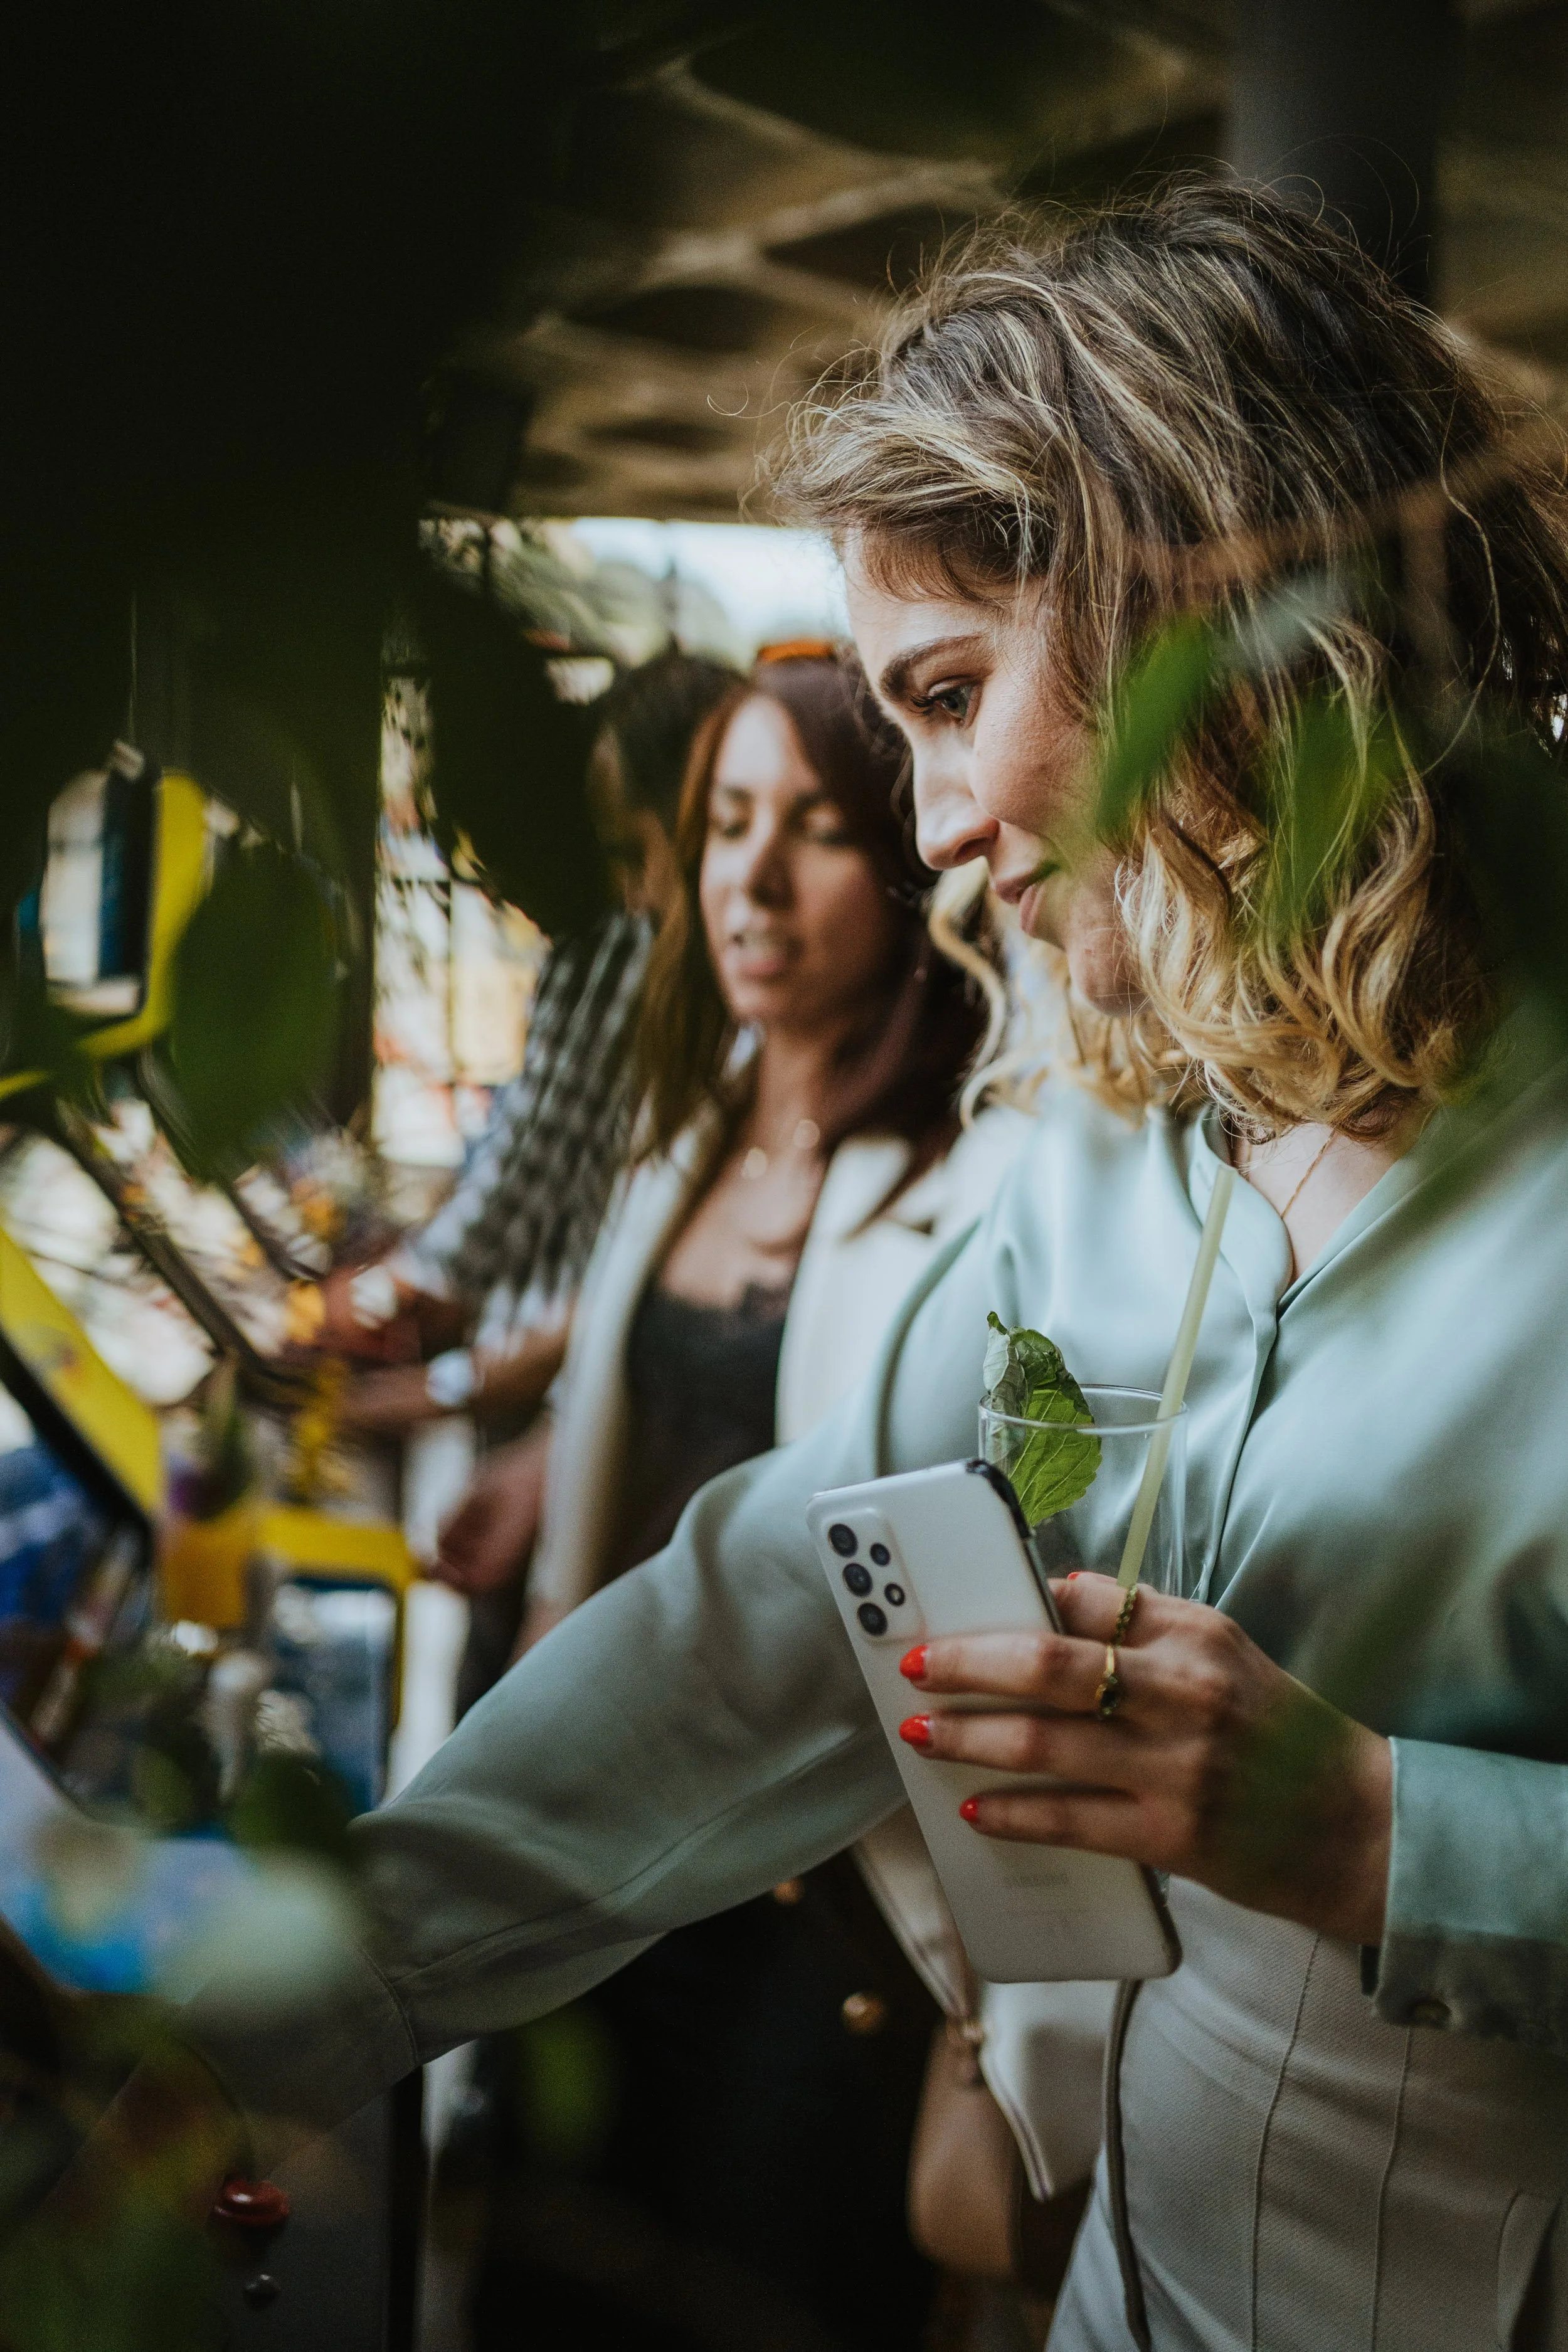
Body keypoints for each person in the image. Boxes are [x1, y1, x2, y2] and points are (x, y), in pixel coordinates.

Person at [66, 181, 1568, 2352]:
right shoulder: (1102, 1160)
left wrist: (1369, 1829)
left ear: (1195, 596)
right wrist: (297, 1999)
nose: (941, 820)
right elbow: (779, 1607)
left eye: (953, 695)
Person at [436, 644, 1026, 2349]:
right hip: (603, 1850)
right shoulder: (692, 1114)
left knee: (754, 2289)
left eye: (818, 831)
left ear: (912, 861)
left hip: (812, 1896)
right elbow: (667, 1406)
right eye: (726, 823)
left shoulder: (977, 1176)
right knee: (550, 2271)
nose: (751, 879)